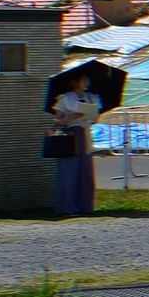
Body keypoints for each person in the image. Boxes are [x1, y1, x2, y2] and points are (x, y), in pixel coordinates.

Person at [47, 77, 100, 217]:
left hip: (86, 134)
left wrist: (91, 115)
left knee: (86, 171)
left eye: (87, 80)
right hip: (70, 135)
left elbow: (95, 117)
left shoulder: (91, 97)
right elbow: (57, 120)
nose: (86, 83)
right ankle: (67, 208)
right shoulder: (65, 98)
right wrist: (70, 116)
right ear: (74, 82)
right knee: (68, 172)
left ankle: (85, 206)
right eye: (83, 80)